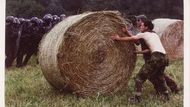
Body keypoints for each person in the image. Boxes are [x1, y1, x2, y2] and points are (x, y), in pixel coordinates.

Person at [111, 19, 178, 103]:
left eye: (142, 25)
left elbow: (131, 38)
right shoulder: (154, 35)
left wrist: (118, 38)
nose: (140, 26)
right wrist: (138, 51)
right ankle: (166, 96)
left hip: (156, 57)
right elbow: (147, 48)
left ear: (146, 27)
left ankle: (136, 99)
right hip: (164, 57)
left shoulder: (144, 34)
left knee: (139, 78)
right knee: (160, 77)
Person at [134, 15, 180, 94]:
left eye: (139, 21)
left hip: (153, 57)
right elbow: (137, 42)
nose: (137, 22)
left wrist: (137, 52)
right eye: (137, 21)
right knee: (157, 75)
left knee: (154, 75)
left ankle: (172, 88)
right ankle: (164, 91)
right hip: (155, 57)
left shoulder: (147, 34)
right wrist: (126, 33)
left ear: (144, 22)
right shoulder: (145, 33)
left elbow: (148, 49)